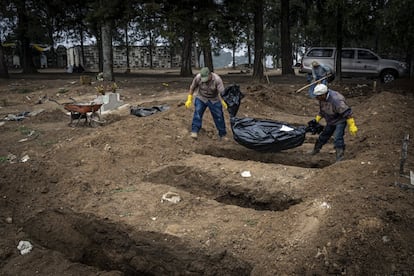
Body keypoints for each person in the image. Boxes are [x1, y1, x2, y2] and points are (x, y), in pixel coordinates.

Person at [309, 83, 358, 162]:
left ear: (323, 94)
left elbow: (347, 113)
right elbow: (323, 110)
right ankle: (315, 150)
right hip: (330, 120)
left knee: (338, 138)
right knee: (324, 135)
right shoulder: (322, 98)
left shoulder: (336, 100)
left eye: (318, 97)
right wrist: (317, 119)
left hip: (340, 120)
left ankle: (340, 157)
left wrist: (352, 125)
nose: (316, 98)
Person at [185, 67, 228, 139]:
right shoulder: (198, 77)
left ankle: (222, 134)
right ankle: (195, 131)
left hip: (214, 99)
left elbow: (222, 92)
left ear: (210, 75)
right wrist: (189, 98)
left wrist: (224, 101)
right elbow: (192, 88)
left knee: (219, 116)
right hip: (201, 97)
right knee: (197, 113)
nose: (205, 81)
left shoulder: (217, 79)